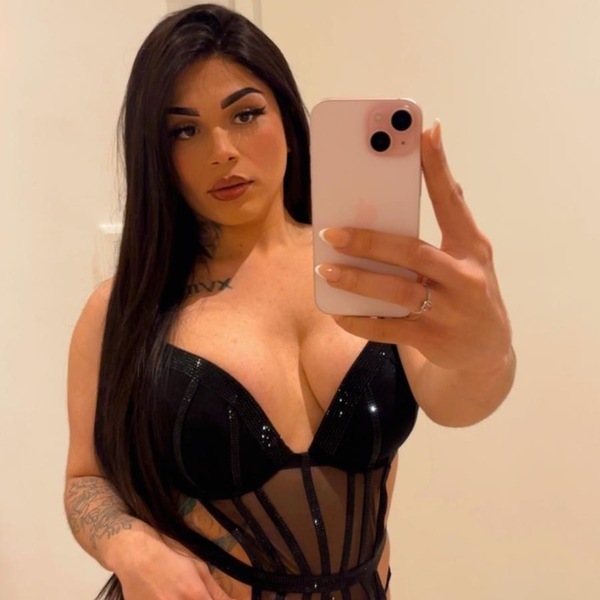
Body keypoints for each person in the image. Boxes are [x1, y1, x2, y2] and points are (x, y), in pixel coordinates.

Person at [64, 4, 516, 600]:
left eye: (245, 114)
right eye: (184, 130)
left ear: (288, 118)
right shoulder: (122, 310)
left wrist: (488, 353)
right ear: (156, 151)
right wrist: (128, 546)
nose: (222, 150)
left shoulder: (367, 276)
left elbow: (455, 399)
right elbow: (86, 479)